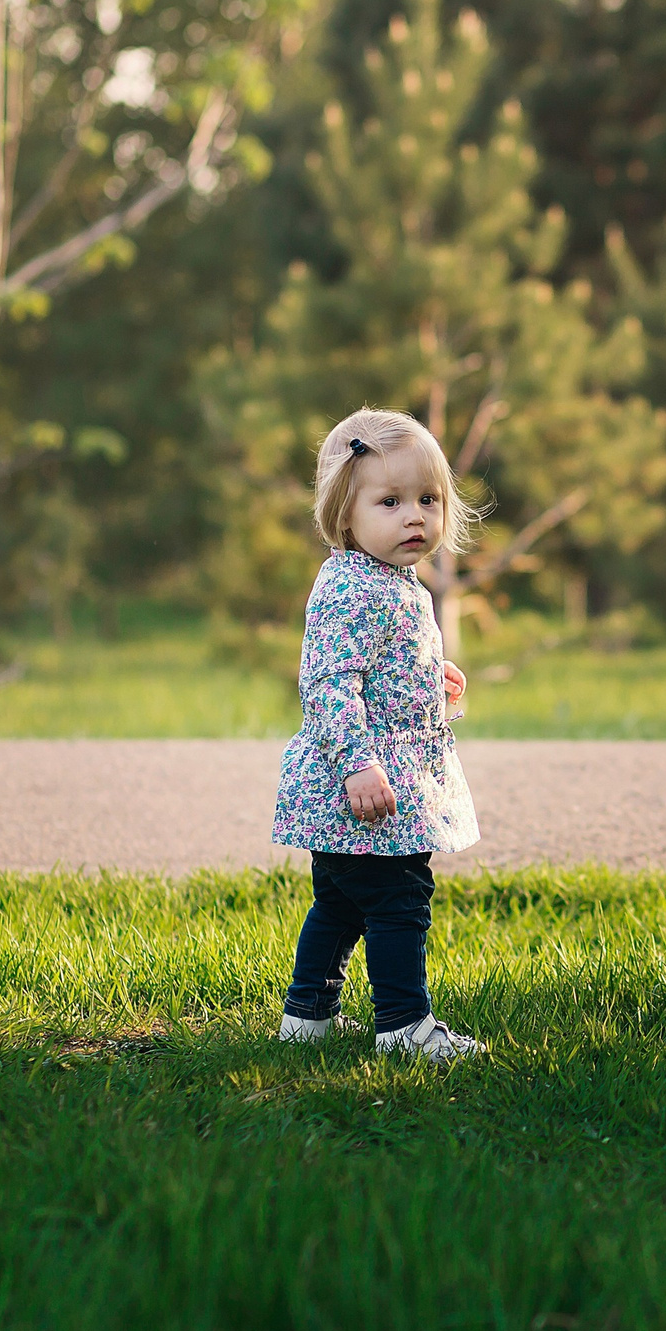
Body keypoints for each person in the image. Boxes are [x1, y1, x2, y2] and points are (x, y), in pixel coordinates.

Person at [270, 407, 487, 1061]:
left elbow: (375, 666)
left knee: (338, 902)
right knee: (400, 900)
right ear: (345, 512)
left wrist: (428, 673)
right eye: (390, 501)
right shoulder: (355, 589)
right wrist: (360, 765)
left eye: (427, 499)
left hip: (370, 782)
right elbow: (330, 684)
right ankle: (403, 1025)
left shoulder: (387, 580)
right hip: (367, 784)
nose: (414, 516)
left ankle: (306, 1016)